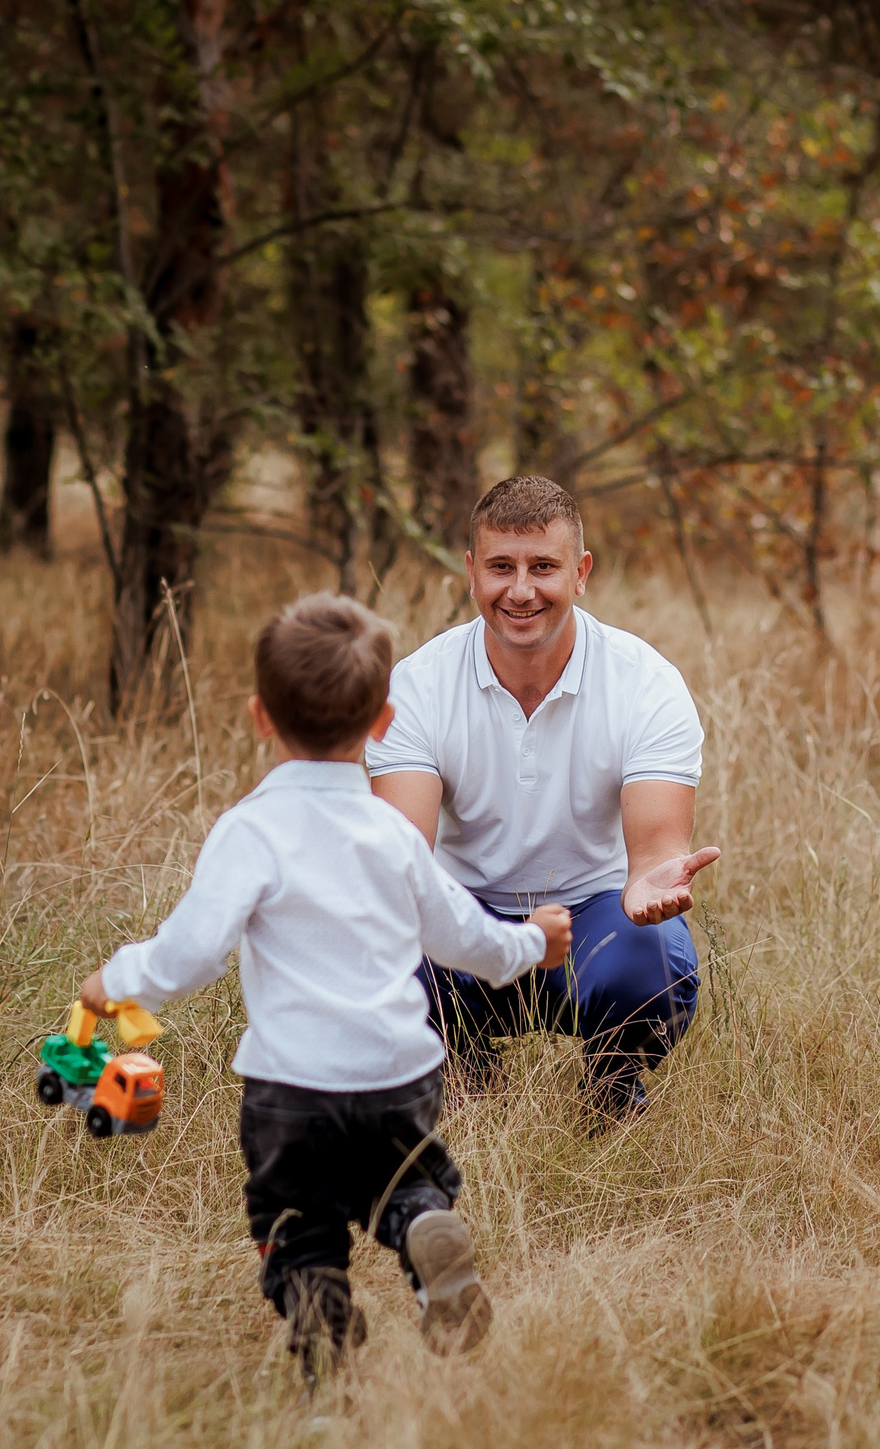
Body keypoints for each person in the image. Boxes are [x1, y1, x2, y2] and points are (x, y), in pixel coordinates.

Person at [76, 593, 573, 1377]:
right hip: (399, 1073)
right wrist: (532, 944)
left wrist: (115, 980)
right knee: (402, 1180)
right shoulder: (394, 836)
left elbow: (193, 951)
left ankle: (323, 1327)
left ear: (258, 716)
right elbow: (463, 939)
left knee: (297, 1223)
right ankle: (419, 1222)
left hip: (291, 1086)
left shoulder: (251, 829)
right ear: (383, 721)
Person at [367, 475, 720, 1114]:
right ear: (471, 572)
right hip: (462, 918)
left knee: (655, 965)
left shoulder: (647, 685)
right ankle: (466, 1075)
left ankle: (610, 1094)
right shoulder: (416, 686)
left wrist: (647, 886)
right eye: (501, 567)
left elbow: (654, 855)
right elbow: (403, 859)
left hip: (594, 917)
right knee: (379, 954)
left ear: (580, 572)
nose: (521, 590)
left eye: (544, 567)